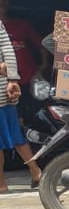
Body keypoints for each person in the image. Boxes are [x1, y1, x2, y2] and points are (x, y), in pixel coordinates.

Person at [0, 19, 44, 190]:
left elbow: (7, 48)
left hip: (3, 87)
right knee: (14, 134)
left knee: (13, 133)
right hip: (4, 84)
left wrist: (12, 78)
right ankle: (35, 171)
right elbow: (7, 50)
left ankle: (2, 185)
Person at [0, 0, 45, 87]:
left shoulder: (21, 24)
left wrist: (43, 67)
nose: (2, 3)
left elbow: (42, 46)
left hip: (29, 81)